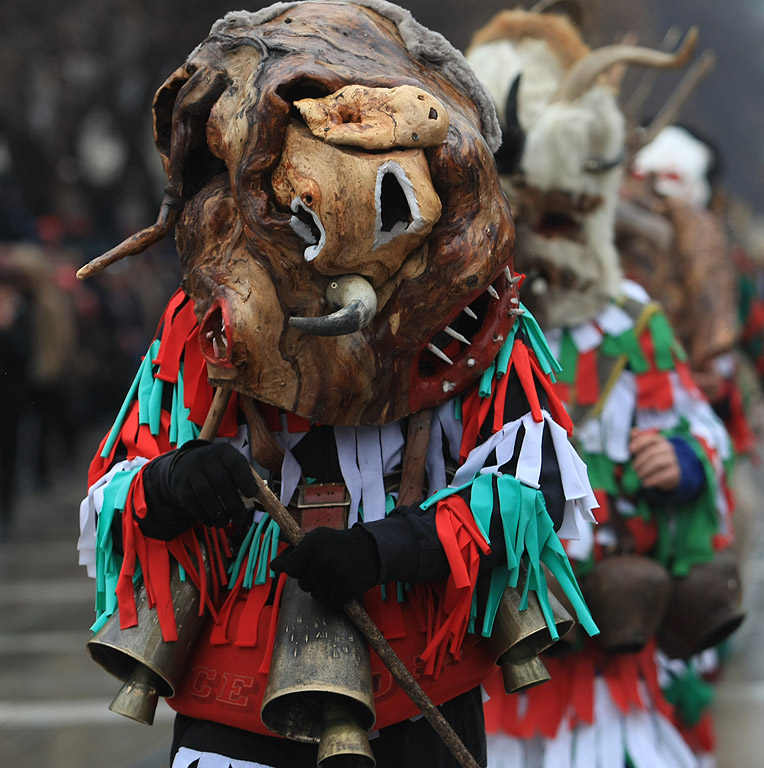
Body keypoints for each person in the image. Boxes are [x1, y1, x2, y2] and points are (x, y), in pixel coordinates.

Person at [77, 3, 600, 767]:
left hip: (417, 669)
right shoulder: (204, 317)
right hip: (237, 680)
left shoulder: (477, 314)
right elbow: (109, 498)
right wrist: (179, 481)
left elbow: (537, 489)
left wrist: (394, 546)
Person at [466, 9, 738, 767]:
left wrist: (682, 459)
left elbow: (701, 433)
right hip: (492, 663)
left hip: (616, 657)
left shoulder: (630, 323)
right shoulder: (455, 332)